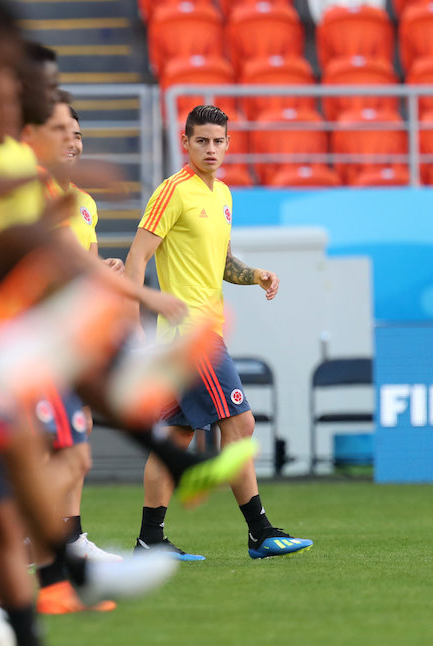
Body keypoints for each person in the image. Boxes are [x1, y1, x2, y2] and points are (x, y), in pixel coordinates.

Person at [125, 105, 314, 561]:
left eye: (218, 141)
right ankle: (260, 532)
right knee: (241, 422)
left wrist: (255, 275)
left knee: (178, 437)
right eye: (202, 141)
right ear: (185, 142)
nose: (211, 149)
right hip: (192, 336)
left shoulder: (223, 195)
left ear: (229, 144)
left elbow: (222, 263)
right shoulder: (172, 192)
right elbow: (135, 261)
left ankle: (151, 539)